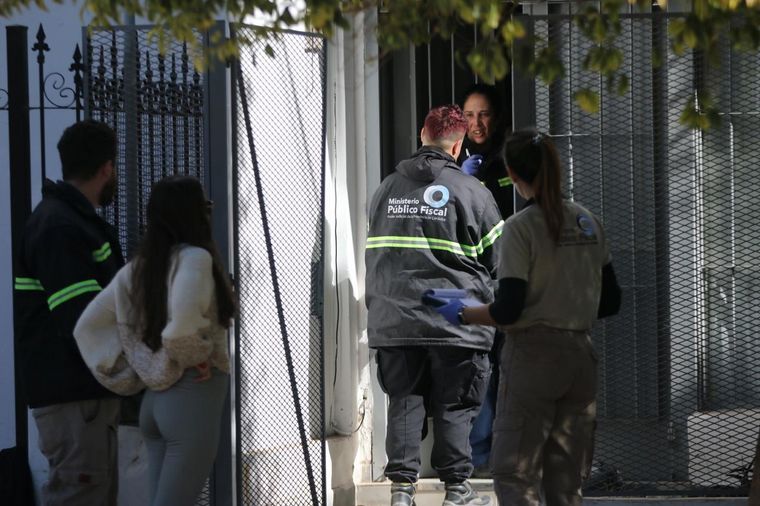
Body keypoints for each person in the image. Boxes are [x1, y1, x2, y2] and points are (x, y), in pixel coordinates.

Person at [429, 129, 622, 506]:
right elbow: (611, 300)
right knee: (566, 480)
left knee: (516, 472)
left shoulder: (520, 229)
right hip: (580, 357)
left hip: (534, 358)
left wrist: (464, 312)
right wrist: (565, 303)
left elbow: (508, 309)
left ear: (514, 176)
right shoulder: (588, 222)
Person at [365, 104, 504, 506]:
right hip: (455, 318)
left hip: (395, 317)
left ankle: (402, 491)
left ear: (422, 135)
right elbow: (499, 261)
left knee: (404, 403)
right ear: (458, 145)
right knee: (455, 405)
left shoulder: (386, 189)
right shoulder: (473, 192)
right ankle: (457, 490)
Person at [73, 175, 236, 506]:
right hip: (192, 397)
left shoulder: (139, 268)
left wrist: (140, 367)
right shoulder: (195, 259)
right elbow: (182, 328)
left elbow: (87, 327)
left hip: (154, 403)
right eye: (205, 207)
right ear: (194, 214)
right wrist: (195, 356)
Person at [13, 120, 124, 505]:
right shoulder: (61, 226)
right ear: (107, 168)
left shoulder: (69, 221)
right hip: (75, 400)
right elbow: (84, 321)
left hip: (81, 398)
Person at [458, 83, 514, 475]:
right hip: (466, 279)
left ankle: (503, 454)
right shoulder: (451, 163)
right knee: (477, 370)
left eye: (484, 114)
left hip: (504, 276)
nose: (477, 123)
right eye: (470, 115)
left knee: (505, 366)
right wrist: (460, 182)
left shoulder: (507, 160)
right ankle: (477, 457)